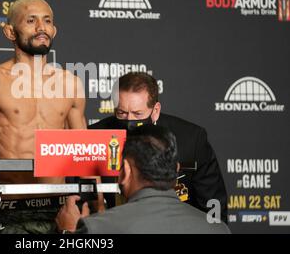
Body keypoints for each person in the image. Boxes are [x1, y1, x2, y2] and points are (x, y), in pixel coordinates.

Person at [0, 0, 96, 234]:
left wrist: (97, 207)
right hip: (14, 209)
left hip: (62, 210)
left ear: (54, 30)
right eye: (31, 21)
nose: (41, 28)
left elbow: (85, 154)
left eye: (47, 21)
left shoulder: (71, 84)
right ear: (9, 32)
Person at [89, 72, 228, 223]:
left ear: (155, 111)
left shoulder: (191, 139)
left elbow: (214, 210)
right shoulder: (93, 136)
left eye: (137, 114)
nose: (129, 121)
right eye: (121, 113)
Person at [55, 125, 230, 234]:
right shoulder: (218, 229)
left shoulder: (95, 229)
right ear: (176, 170)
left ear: (126, 171)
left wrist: (68, 233)